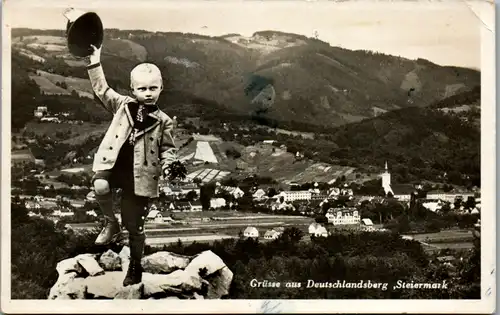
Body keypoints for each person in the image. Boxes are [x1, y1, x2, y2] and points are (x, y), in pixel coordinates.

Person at [86, 44, 177, 286]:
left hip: (141, 174)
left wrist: (170, 165)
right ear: (133, 89)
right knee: (101, 184)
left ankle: (135, 266)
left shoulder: (163, 121)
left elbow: (168, 149)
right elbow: (101, 90)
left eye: (153, 88)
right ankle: (109, 222)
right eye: (142, 88)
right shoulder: (123, 105)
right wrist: (94, 61)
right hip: (115, 163)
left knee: (133, 224)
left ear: (161, 88)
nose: (148, 93)